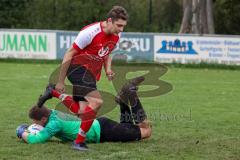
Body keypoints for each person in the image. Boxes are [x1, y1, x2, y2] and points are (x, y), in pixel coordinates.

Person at [37, 6, 128, 150]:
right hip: (77, 68)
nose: (121, 30)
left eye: (123, 26)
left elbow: (108, 51)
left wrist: (108, 69)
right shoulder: (90, 33)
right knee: (97, 101)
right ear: (110, 21)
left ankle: (53, 92)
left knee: (82, 111)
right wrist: (61, 81)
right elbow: (69, 54)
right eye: (119, 26)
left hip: (91, 73)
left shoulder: (117, 34)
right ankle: (78, 142)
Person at [16, 78, 151, 149]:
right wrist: (56, 94)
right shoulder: (54, 113)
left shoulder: (53, 124)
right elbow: (75, 108)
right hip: (100, 124)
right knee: (127, 126)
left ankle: (132, 96)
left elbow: (35, 140)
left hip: (103, 132)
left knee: (146, 131)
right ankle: (122, 101)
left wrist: (21, 131)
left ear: (44, 118)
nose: (35, 125)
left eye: (36, 122)